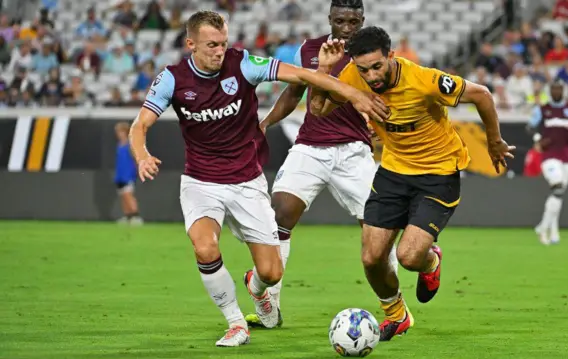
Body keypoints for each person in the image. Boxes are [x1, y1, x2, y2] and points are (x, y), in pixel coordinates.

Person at [128, 11, 387, 348]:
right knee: (205, 246)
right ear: (190, 44)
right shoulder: (172, 79)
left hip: (246, 183)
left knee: (271, 272)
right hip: (200, 182)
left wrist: (354, 94)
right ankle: (235, 323)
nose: (220, 51)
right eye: (211, 45)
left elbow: (302, 76)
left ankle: (259, 290)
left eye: (223, 44)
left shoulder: (245, 64)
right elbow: (139, 125)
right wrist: (142, 154)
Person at [310, 26, 515, 341]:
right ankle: (397, 315)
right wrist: (324, 70)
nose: (371, 76)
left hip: (438, 174)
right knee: (371, 257)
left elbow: (482, 95)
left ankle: (431, 259)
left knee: (408, 257)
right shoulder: (352, 75)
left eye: (377, 66)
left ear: (391, 56)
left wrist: (495, 141)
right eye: (364, 69)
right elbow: (318, 109)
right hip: (393, 173)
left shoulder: (424, 80)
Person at [245, 0, 398, 329]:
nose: (347, 26)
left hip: (354, 152)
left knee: (380, 232)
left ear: (362, 19)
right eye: (340, 19)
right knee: (279, 216)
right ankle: (267, 302)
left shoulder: (371, 55)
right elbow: (294, 91)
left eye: (353, 20)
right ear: (330, 18)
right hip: (310, 148)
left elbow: (392, 95)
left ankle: (394, 311)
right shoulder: (310, 49)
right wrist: (265, 123)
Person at [527, 80, 568, 245]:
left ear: (564, 90)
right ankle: (543, 227)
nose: (556, 92)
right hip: (549, 156)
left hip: (565, 156)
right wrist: (538, 139)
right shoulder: (543, 109)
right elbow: (530, 127)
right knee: (558, 188)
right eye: (553, 89)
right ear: (549, 90)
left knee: (558, 195)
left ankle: (553, 232)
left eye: (559, 89)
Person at [114, 122, 143, 225]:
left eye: (120, 131)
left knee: (128, 196)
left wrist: (136, 171)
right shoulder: (119, 145)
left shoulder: (130, 144)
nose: (118, 134)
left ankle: (136, 216)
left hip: (128, 175)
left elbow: (136, 159)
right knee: (123, 196)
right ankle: (128, 216)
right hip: (120, 175)